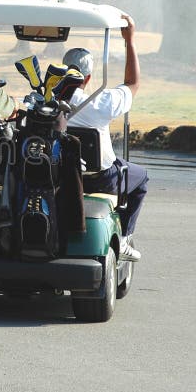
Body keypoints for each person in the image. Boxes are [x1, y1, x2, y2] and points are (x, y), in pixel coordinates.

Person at [63, 14, 148, 262]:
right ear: (88, 78)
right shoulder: (100, 102)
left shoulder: (44, 101)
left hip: (59, 175)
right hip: (100, 179)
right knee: (141, 177)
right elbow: (132, 83)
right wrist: (129, 40)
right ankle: (125, 238)